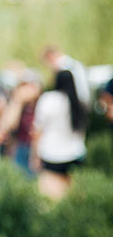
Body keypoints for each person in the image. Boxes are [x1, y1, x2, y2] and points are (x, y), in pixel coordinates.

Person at [32, 70, 87, 200]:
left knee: (51, 200)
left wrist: (34, 155)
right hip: (75, 155)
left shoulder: (48, 99)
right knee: (71, 198)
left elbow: (38, 130)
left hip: (52, 156)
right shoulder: (79, 102)